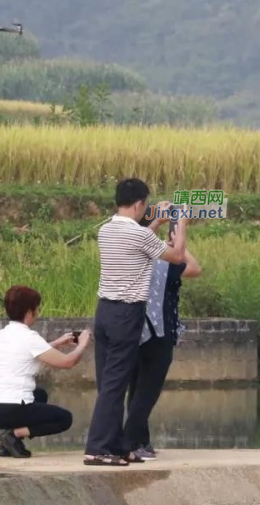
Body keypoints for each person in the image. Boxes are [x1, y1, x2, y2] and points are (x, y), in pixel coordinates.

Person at [84, 179, 188, 467]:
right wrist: (181, 225)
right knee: (115, 386)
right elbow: (177, 256)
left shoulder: (106, 229)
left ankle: (116, 446)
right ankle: (98, 448)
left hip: (104, 312)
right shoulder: (138, 235)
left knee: (109, 383)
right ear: (141, 204)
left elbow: (141, 240)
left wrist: (153, 224)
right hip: (126, 314)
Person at [123, 213, 202, 461]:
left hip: (131, 329)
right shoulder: (164, 262)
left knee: (135, 389)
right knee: (147, 392)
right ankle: (129, 442)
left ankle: (141, 442)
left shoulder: (132, 257)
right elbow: (194, 268)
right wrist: (180, 237)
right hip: (159, 331)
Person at [0, 285, 90, 458]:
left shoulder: (3, 334)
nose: (38, 312)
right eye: (37, 308)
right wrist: (83, 344)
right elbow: (68, 362)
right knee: (64, 419)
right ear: (30, 312)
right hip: (9, 408)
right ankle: (13, 435)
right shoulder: (29, 337)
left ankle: (7, 445)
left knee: (39, 395)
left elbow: (28, 353)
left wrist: (57, 343)